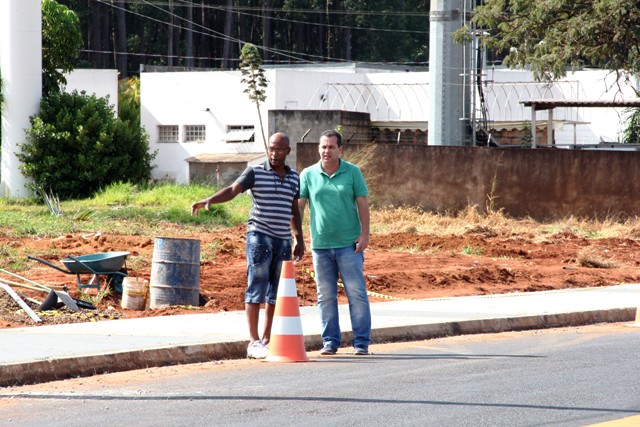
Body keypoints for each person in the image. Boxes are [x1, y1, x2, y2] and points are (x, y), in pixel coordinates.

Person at [191, 132, 305, 359]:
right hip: (259, 236)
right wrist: (209, 200)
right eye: (271, 148)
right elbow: (233, 190)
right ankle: (253, 342)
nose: (274, 153)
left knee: (276, 292)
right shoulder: (255, 172)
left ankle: (267, 339)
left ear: (288, 151)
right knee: (257, 286)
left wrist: (299, 239)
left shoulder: (294, 177)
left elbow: (294, 211)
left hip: (282, 240)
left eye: (279, 149)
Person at [298, 129, 372, 356]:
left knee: (356, 293)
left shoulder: (352, 172)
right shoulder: (308, 174)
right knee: (325, 295)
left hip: (349, 245)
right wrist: (296, 237)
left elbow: (363, 204)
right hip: (320, 246)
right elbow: (299, 207)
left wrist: (365, 234)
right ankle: (330, 341)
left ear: (340, 149)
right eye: (323, 147)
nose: (326, 151)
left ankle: (361, 342)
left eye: (331, 147)